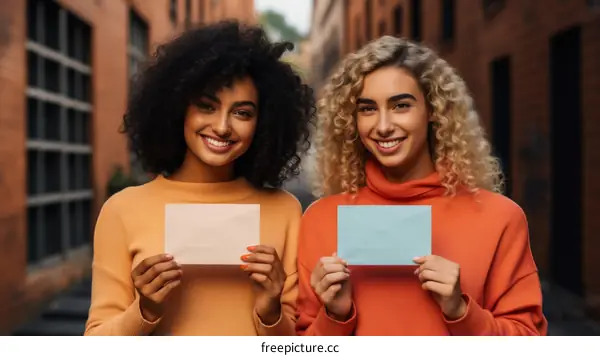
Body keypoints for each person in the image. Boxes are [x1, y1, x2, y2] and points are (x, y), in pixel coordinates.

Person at [295, 36, 547, 336]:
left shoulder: (500, 217)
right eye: (367, 109)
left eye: (401, 105)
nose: (384, 125)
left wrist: (461, 311)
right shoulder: (321, 219)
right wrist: (335, 315)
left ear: (432, 112)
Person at [84, 21, 314, 336]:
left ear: (264, 123)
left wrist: (270, 310)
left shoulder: (284, 209)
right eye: (206, 106)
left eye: (242, 113)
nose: (222, 127)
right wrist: (145, 310)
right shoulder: (122, 210)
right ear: (178, 109)